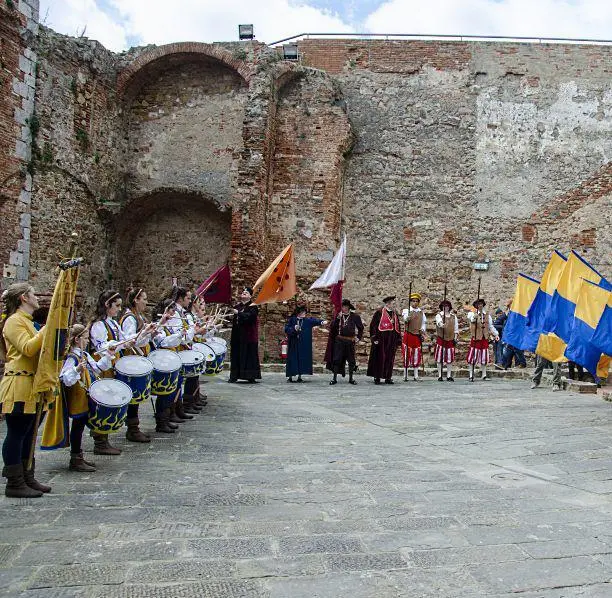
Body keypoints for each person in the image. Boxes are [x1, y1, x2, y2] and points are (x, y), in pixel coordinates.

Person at [0, 283, 51, 498]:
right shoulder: (13, 322)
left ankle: (27, 475)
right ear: (23, 298)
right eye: (32, 294)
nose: (36, 297)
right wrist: (48, 327)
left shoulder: (28, 322)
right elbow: (28, 348)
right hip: (19, 383)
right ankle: (15, 482)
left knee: (29, 434)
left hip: (34, 383)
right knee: (17, 432)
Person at [58, 324, 115, 472]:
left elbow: (97, 368)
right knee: (77, 427)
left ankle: (78, 457)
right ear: (77, 340)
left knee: (81, 426)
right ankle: (75, 459)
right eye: (85, 338)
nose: (88, 340)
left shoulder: (85, 355)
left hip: (86, 395)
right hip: (78, 396)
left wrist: (108, 354)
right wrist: (77, 369)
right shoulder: (72, 357)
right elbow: (65, 378)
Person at [89, 290, 134, 455]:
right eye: (116, 305)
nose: (119, 309)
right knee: (104, 401)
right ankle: (99, 441)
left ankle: (104, 438)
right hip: (103, 365)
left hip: (111, 363)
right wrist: (119, 344)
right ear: (107, 304)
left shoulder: (113, 323)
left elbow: (122, 340)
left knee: (111, 398)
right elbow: (102, 346)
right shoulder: (98, 325)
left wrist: (135, 338)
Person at [120, 287, 158, 442]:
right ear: (136, 300)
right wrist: (146, 333)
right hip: (131, 359)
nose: (146, 302)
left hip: (138, 357)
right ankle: (132, 428)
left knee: (137, 394)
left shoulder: (139, 316)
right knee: (134, 394)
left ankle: (134, 427)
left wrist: (150, 333)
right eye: (144, 299)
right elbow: (130, 341)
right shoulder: (130, 318)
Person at [150, 298, 183, 433]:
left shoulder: (168, 326)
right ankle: (161, 422)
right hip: (161, 361)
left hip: (169, 359)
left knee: (170, 390)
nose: (174, 312)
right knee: (164, 390)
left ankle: (166, 418)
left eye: (175, 310)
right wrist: (179, 336)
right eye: (171, 309)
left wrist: (181, 334)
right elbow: (162, 342)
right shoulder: (158, 325)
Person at [284, 306, 327, 383]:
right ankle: (290, 377)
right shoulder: (292, 320)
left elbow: (314, 321)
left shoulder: (306, 320)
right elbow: (286, 329)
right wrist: (294, 328)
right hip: (293, 343)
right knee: (292, 359)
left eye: (305, 312)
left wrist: (321, 322)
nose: (304, 313)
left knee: (301, 359)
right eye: (303, 312)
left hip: (302, 344)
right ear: (298, 313)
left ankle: (299, 376)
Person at [326, 299, 364, 385]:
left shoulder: (355, 317)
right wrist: (337, 319)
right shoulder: (338, 316)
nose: (344, 308)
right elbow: (332, 327)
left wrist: (358, 337)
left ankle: (351, 379)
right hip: (339, 341)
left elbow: (361, 328)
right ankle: (334, 378)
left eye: (346, 306)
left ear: (349, 307)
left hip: (350, 341)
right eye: (343, 306)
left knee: (351, 360)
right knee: (337, 359)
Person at [228, 287, 261, 383]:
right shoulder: (237, 306)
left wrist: (238, 313)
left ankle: (251, 376)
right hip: (237, 336)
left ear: (250, 296)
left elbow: (250, 317)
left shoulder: (253, 307)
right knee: (236, 355)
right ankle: (234, 376)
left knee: (249, 355)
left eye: (246, 293)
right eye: (243, 292)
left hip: (248, 336)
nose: (244, 293)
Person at [367, 296, 402, 385]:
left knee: (390, 358)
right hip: (381, 339)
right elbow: (373, 325)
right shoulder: (379, 313)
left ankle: (388, 377)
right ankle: (377, 377)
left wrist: (398, 338)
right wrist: (374, 337)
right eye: (392, 303)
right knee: (379, 358)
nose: (394, 305)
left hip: (392, 339)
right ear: (387, 303)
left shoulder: (394, 314)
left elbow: (398, 326)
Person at [466, 298, 499, 382]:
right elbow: (472, 319)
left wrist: (496, 334)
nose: (480, 305)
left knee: (484, 357)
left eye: (481, 304)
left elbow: (490, 326)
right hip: (476, 337)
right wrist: (475, 317)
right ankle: (471, 375)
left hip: (484, 338)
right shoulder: (471, 313)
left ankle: (484, 375)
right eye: (478, 304)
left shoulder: (487, 315)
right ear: (476, 306)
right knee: (473, 357)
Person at [401, 293, 427, 381]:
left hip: (416, 336)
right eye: (413, 301)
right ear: (410, 302)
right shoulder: (406, 310)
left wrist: (422, 329)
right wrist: (406, 318)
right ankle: (405, 375)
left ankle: (416, 375)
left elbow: (423, 323)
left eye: (416, 301)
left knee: (416, 355)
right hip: (408, 335)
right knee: (406, 355)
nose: (415, 303)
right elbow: (405, 318)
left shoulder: (421, 313)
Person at [435, 300, 459, 382]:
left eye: (447, 306)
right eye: (444, 306)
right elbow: (439, 322)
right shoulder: (439, 315)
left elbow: (456, 329)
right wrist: (442, 325)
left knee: (449, 358)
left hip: (450, 339)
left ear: (449, 307)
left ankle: (449, 375)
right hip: (441, 339)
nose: (446, 308)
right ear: (442, 307)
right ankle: (440, 375)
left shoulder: (453, 316)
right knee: (439, 358)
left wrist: (455, 337)